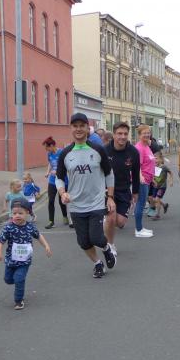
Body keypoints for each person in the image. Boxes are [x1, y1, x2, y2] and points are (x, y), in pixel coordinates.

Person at [56, 113, 117, 278]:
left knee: (96, 237)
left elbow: (109, 173)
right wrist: (62, 192)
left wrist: (110, 197)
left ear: (87, 128)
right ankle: (98, 264)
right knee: (83, 241)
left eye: (82, 126)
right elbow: (59, 178)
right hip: (76, 204)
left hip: (96, 202)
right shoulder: (65, 153)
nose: (78, 129)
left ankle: (106, 248)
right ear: (71, 128)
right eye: (75, 126)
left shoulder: (98, 149)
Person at [0, 199, 52, 310]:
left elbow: (38, 236)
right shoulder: (8, 227)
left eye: (20, 213)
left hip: (24, 261)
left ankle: (18, 300)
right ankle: (18, 282)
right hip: (11, 260)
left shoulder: (30, 227)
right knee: (8, 280)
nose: (17, 215)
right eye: (14, 213)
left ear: (27, 213)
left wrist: (46, 245)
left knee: (19, 279)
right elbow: (0, 241)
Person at [103, 121, 140, 256]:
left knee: (120, 222)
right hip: (107, 191)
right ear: (113, 135)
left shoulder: (133, 152)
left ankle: (106, 223)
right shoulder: (104, 151)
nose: (122, 137)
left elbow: (135, 173)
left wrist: (135, 192)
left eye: (125, 134)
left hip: (124, 190)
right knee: (111, 218)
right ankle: (110, 245)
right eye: (119, 134)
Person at [133, 124, 156, 237]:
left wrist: (152, 178)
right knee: (141, 204)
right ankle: (139, 230)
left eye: (148, 133)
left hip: (147, 179)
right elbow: (137, 165)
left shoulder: (146, 146)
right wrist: (140, 177)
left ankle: (140, 228)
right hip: (142, 181)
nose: (147, 135)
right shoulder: (139, 148)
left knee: (141, 204)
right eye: (144, 133)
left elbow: (149, 163)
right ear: (139, 135)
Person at [42, 137, 69, 229]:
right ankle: (51, 221)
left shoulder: (62, 152)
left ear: (52, 145)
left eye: (47, 148)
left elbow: (66, 166)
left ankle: (65, 216)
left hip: (62, 179)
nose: (46, 150)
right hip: (52, 180)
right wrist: (47, 172)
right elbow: (50, 163)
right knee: (51, 200)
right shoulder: (49, 154)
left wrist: (57, 171)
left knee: (62, 200)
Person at [149, 153, 173, 219]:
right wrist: (153, 181)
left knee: (157, 199)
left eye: (156, 158)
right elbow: (152, 175)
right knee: (154, 199)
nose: (155, 160)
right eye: (154, 159)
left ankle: (157, 215)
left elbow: (170, 172)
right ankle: (164, 205)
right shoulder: (154, 166)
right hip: (155, 186)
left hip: (162, 186)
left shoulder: (164, 167)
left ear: (161, 159)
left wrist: (171, 180)